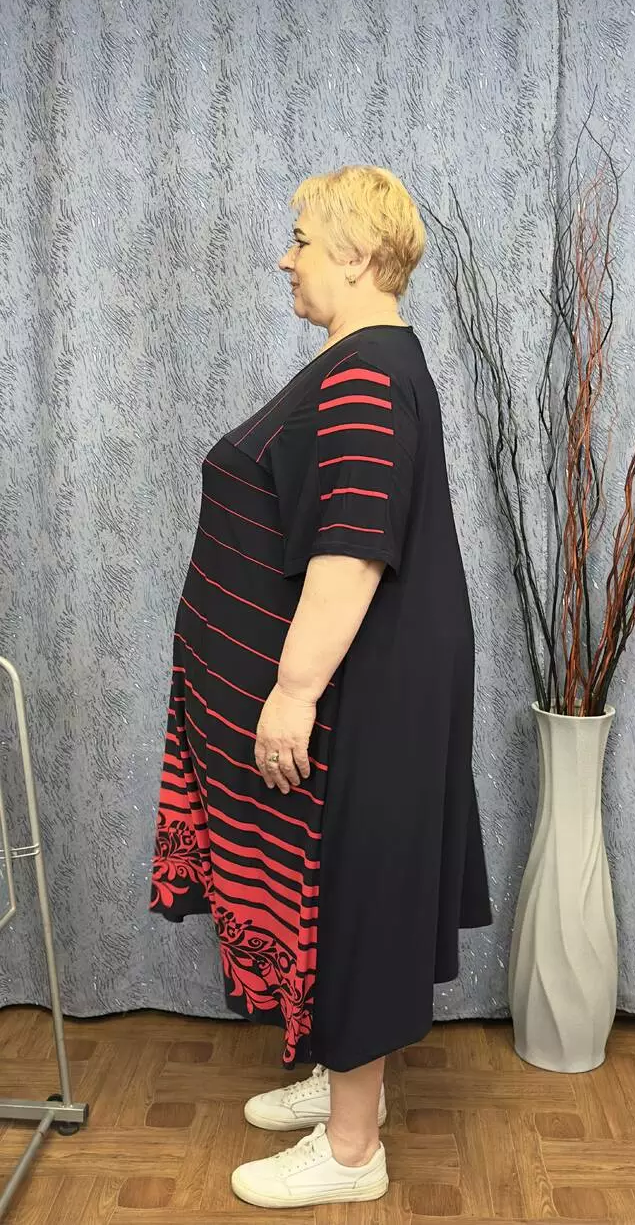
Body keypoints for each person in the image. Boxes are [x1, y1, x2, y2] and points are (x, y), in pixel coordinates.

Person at [149, 164, 493, 1209]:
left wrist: (293, 690)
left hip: (363, 688)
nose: (285, 258)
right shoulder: (363, 363)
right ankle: (345, 1083)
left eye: (300, 239)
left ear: (355, 253)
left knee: (351, 895)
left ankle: (351, 1151)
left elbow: (351, 548)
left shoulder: (366, 374)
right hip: (372, 678)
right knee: (338, 890)